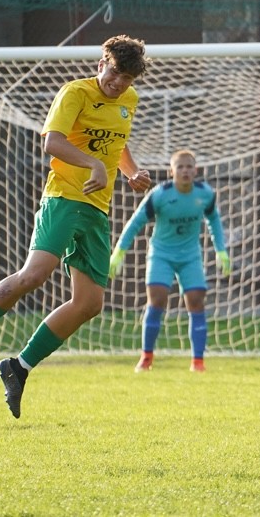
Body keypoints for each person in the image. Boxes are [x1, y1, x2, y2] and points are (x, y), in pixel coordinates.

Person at [0, 34, 152, 419]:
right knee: (34, 275)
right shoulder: (75, 93)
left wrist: (132, 172)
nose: (119, 84)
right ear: (101, 64)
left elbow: (117, 145)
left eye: (127, 79)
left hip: (97, 210)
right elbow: (52, 142)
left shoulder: (128, 101)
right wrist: (94, 164)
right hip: (64, 198)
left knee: (90, 304)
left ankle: (19, 367)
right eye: (115, 74)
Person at [109, 149, 231, 373]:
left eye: (189, 167)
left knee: (196, 301)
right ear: (171, 171)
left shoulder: (205, 194)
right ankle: (146, 358)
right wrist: (119, 252)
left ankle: (198, 362)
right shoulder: (160, 194)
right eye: (180, 167)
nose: (185, 171)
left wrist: (221, 250)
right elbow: (135, 222)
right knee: (157, 300)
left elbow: (213, 218)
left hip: (190, 256)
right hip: (161, 254)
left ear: (196, 170)